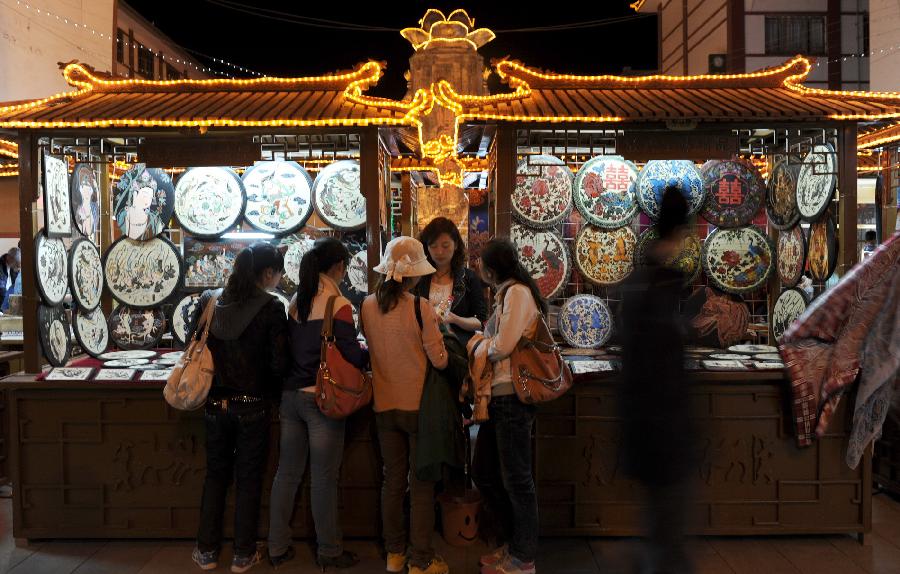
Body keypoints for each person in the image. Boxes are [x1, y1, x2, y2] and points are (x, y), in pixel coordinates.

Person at [267, 238, 368, 570]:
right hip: (322, 399)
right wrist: (371, 354)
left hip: (290, 398)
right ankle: (329, 550)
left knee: (287, 474)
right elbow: (352, 353)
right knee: (324, 478)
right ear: (338, 267)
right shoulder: (336, 304)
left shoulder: (297, 300)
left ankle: (277, 546)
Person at [190, 242, 289, 573]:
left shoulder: (211, 300)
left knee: (215, 476)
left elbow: (191, 343)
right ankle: (243, 554)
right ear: (267, 273)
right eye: (278, 272)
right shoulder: (272, 309)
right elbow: (278, 364)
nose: (279, 278)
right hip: (254, 407)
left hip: (214, 405)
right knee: (248, 480)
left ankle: (206, 551)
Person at [618, 186, 697, 574]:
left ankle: (658, 559)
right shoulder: (665, 283)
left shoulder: (636, 280)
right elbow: (664, 351)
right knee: (667, 516)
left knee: (660, 514)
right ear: (681, 232)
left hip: (642, 413)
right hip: (662, 415)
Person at [360, 236, 449, 574]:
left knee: (392, 480)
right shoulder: (419, 307)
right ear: (413, 275)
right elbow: (439, 360)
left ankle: (394, 554)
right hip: (417, 409)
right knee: (422, 483)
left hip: (383, 406)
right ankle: (421, 560)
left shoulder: (368, 305)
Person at [472, 239, 545, 574]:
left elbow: (502, 346)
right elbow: (493, 337)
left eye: (481, 263)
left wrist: (480, 347)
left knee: (516, 479)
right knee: (486, 471)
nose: (478, 268)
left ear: (491, 268)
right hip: (499, 396)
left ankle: (523, 557)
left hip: (513, 396)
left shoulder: (516, 294)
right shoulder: (504, 294)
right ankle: (512, 544)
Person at [414, 217, 487, 346]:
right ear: (426, 247)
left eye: (445, 245)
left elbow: (480, 322)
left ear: (456, 245)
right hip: (422, 347)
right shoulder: (419, 278)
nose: (439, 252)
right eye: (433, 246)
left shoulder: (469, 278)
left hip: (458, 348)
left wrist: (454, 319)